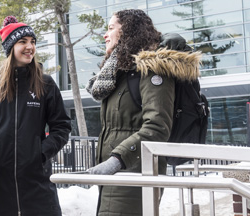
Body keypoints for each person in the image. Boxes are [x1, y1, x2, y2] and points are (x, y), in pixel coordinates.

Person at [85, 9, 201, 215]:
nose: (105, 34)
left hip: (136, 174)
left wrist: (116, 160)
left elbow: (158, 126)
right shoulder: (120, 73)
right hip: (116, 177)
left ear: (128, 31)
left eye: (111, 28)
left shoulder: (151, 69)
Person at [0, 16, 72, 216]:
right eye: (23, 42)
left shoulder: (45, 84)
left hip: (38, 184)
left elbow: (61, 126)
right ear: (11, 47)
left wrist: (41, 153)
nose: (30, 47)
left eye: (32, 42)